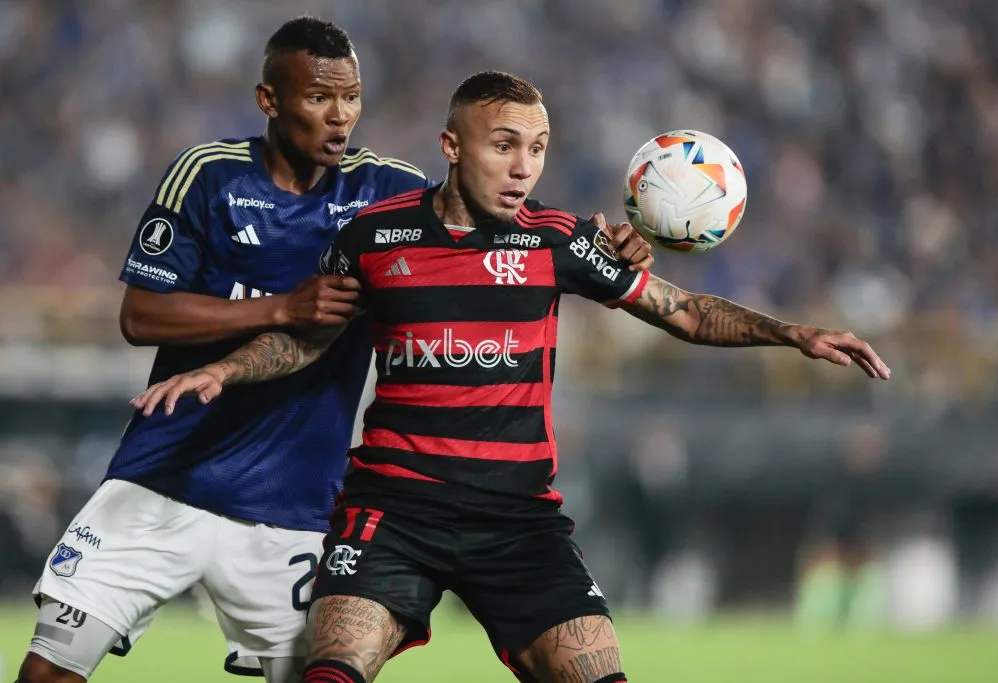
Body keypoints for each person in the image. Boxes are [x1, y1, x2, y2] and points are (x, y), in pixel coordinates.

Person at [133, 70, 890, 683]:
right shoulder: (372, 235)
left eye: (539, 147)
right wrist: (226, 370)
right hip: (393, 512)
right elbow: (307, 340)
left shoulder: (558, 241)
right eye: (505, 145)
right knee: (330, 671)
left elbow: (682, 311)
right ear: (452, 147)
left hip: (519, 520)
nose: (525, 165)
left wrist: (794, 333)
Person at [19, 21, 651, 683]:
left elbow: (503, 217)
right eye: (320, 97)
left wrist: (604, 248)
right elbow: (139, 314)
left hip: (293, 512)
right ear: (270, 100)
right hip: (164, 479)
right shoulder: (209, 175)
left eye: (351, 97)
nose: (341, 114)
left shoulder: (384, 193)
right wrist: (282, 307)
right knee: (50, 670)